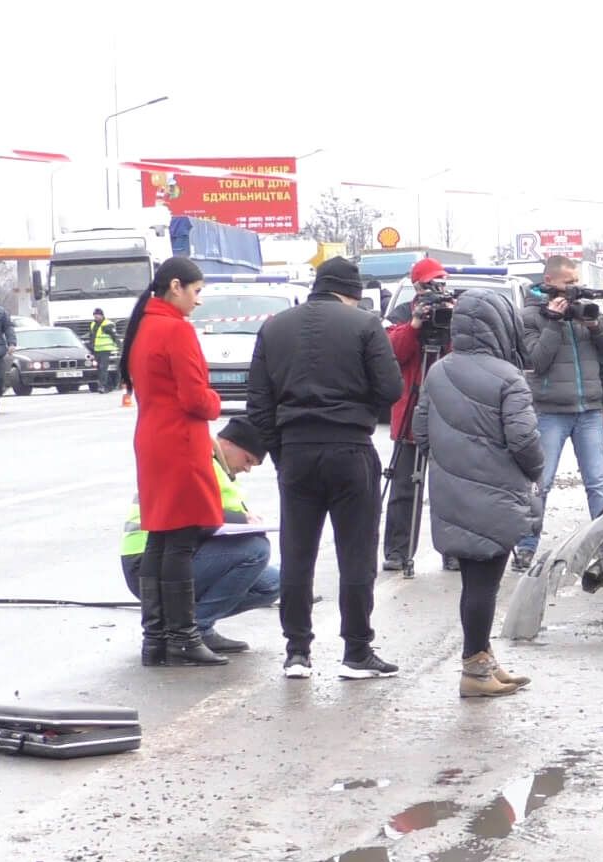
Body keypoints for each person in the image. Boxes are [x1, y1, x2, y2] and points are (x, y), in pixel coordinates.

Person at [246, 256, 404, 680]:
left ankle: (297, 652)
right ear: (352, 293)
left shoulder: (274, 327)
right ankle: (356, 651)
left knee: (298, 553)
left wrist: (282, 452)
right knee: (356, 554)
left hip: (296, 453)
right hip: (351, 449)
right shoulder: (365, 325)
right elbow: (391, 389)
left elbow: (258, 404)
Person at [415, 290, 543, 698]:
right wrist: (535, 472)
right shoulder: (509, 377)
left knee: (474, 581)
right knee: (485, 584)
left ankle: (483, 658)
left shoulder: (437, 372)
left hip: (453, 491)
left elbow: (420, 433)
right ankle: (474, 668)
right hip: (496, 491)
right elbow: (524, 441)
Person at [119, 256, 227, 667]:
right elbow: (197, 399)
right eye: (197, 291)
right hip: (180, 441)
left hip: (153, 439)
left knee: (159, 537)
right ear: (176, 286)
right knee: (180, 539)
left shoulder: (145, 325)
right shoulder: (176, 330)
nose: (199, 301)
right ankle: (183, 636)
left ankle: (157, 639)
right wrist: (217, 403)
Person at [120, 417, 280, 654]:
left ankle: (182, 623)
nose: (247, 468)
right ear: (226, 443)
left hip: (175, 556)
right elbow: (191, 514)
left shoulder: (216, 467)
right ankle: (193, 630)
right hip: (149, 562)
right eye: (248, 460)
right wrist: (241, 520)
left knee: (274, 584)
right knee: (256, 550)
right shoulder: (201, 463)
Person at [514, 255, 603, 571]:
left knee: (597, 482)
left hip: (588, 408)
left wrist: (597, 325)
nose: (576, 288)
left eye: (578, 281)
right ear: (549, 282)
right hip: (549, 411)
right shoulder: (530, 316)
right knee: (541, 482)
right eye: (569, 282)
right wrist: (553, 321)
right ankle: (526, 545)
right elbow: (537, 361)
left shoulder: (584, 309)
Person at [381, 258, 457, 574]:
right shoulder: (400, 316)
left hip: (445, 412)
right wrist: (414, 325)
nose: (437, 288)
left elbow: (463, 353)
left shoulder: (456, 312)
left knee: (449, 489)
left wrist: (453, 317)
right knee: (403, 489)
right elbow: (392, 355)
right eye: (431, 283)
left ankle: (453, 550)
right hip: (411, 409)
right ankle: (398, 551)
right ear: (417, 287)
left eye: (441, 282)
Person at [88, 307, 120, 392]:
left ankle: (103, 386)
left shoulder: (108, 324)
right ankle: (110, 385)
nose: (96, 317)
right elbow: (92, 337)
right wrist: (91, 349)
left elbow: (115, 337)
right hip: (96, 350)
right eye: (95, 315)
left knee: (103, 368)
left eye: (97, 315)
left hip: (106, 350)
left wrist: (120, 347)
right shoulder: (93, 324)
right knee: (99, 368)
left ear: (102, 315)